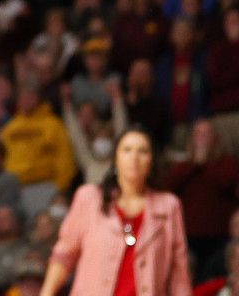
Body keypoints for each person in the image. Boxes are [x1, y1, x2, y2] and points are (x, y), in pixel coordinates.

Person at [38, 127, 191, 296]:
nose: (134, 158)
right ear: (116, 158)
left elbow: (179, 273)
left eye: (143, 151)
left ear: (152, 160)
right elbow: (64, 255)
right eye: (127, 150)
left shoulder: (168, 205)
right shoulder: (89, 197)